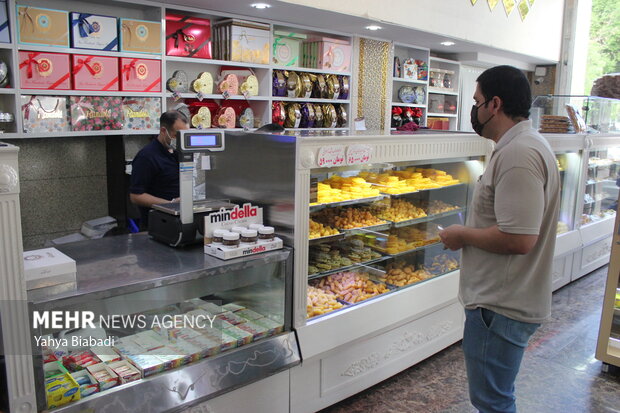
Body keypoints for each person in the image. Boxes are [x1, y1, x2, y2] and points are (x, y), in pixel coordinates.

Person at [438, 65, 560, 413]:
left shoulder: (518, 154)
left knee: (492, 401)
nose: (473, 111)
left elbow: (519, 238)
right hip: (504, 300)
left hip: (500, 305)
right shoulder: (522, 146)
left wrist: (462, 234)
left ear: (494, 104)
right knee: (494, 397)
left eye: (476, 101)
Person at [129, 110, 189, 229]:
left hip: (180, 220)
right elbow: (136, 196)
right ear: (163, 131)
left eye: (185, 135)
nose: (181, 139)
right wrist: (170, 205)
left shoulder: (178, 152)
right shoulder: (146, 157)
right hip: (157, 224)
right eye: (177, 135)